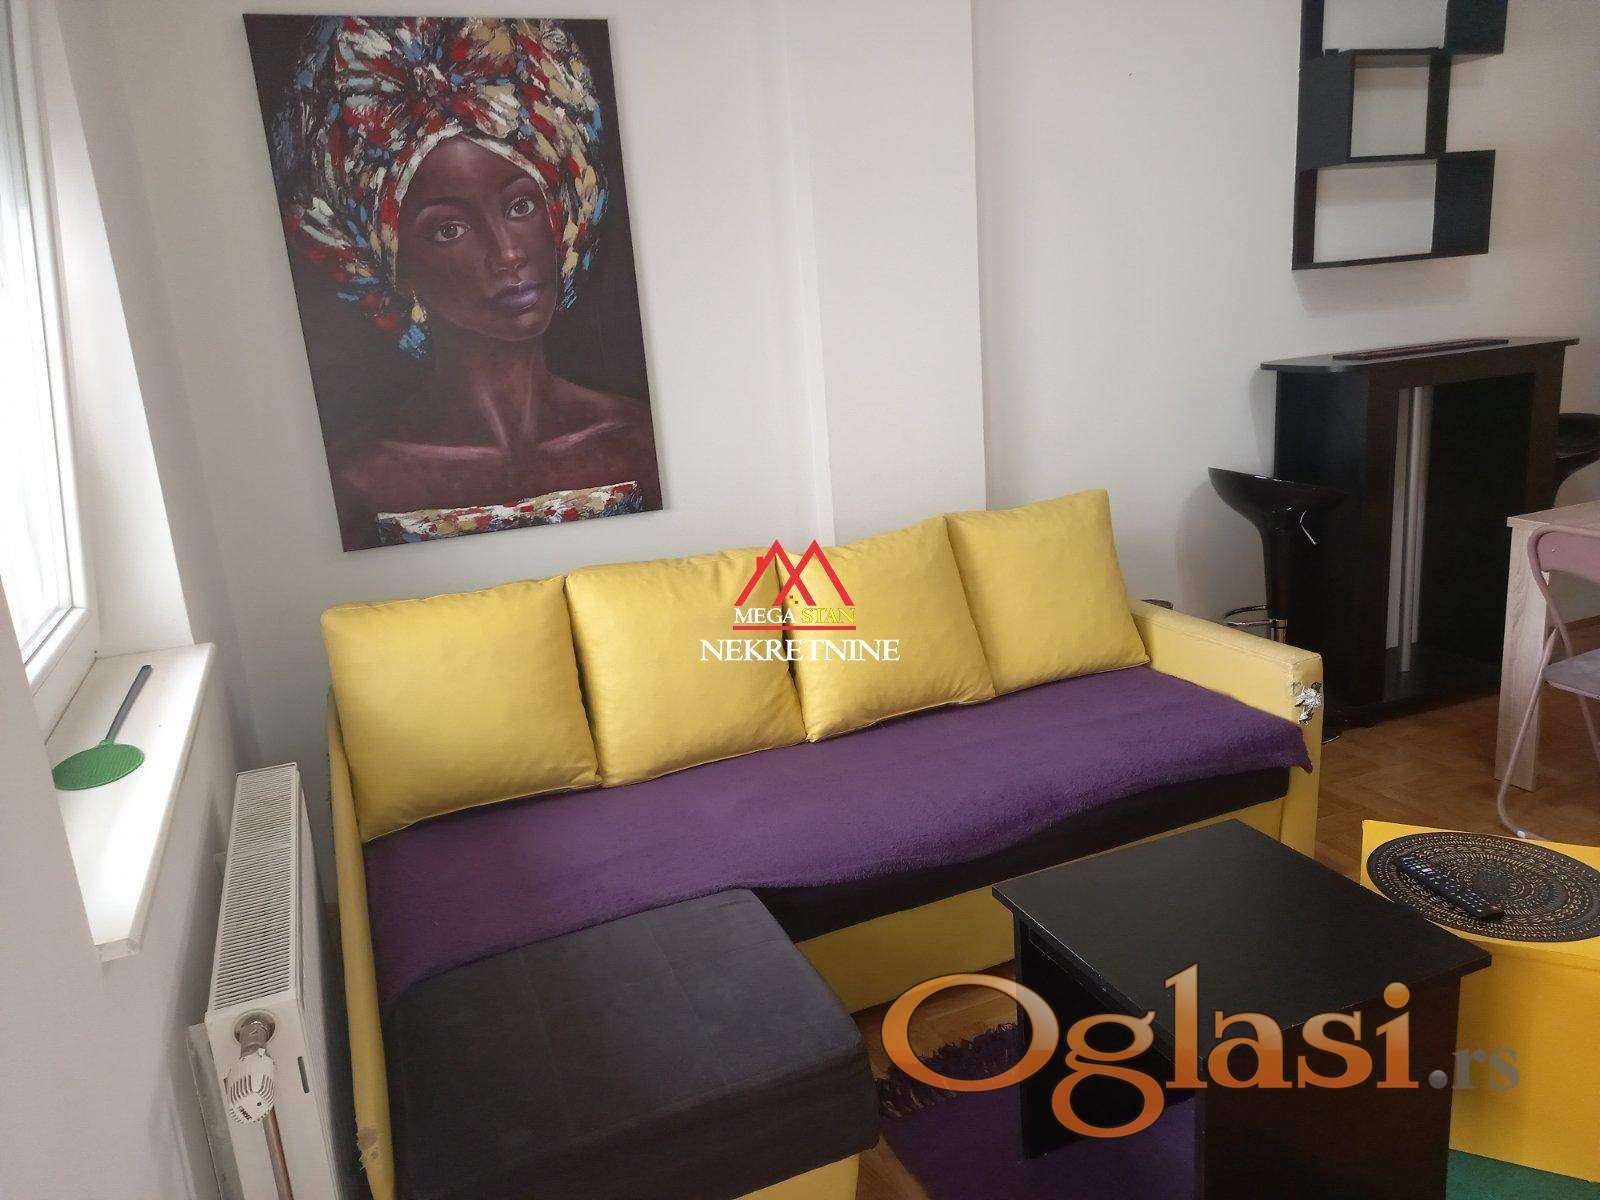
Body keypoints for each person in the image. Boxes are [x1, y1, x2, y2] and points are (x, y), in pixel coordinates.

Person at [269, 17, 660, 548]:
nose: (508, 253)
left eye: (520, 206)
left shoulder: (637, 440)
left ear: (560, 212)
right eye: (449, 229)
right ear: (390, 263)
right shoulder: (359, 482)